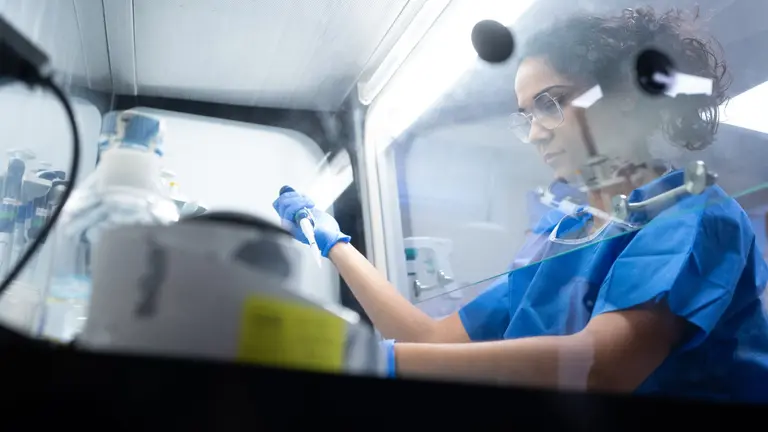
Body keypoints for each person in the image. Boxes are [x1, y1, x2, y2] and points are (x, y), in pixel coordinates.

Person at [274, 7, 768, 402]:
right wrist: (335, 242)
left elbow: (603, 368)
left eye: (551, 102)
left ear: (624, 97)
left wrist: (373, 361)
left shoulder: (693, 214)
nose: (535, 133)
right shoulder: (564, 234)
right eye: (526, 114)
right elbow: (428, 339)